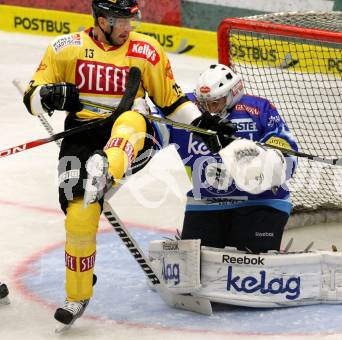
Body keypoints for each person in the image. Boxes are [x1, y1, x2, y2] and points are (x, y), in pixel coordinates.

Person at [22, 0, 232, 327]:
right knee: (80, 215)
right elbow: (32, 98)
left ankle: (105, 168)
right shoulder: (66, 49)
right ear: (101, 20)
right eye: (120, 20)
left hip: (133, 137)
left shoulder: (146, 51)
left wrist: (204, 122)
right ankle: (77, 294)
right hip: (83, 134)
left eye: (130, 19)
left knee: (131, 119)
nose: (127, 27)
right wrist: (48, 96)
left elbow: (171, 102)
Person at [169, 64, 299, 253]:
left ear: (232, 95)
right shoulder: (185, 108)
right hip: (206, 203)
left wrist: (251, 157)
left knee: (255, 266)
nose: (209, 109)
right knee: (193, 266)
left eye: (216, 102)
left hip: (262, 202)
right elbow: (152, 133)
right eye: (204, 103)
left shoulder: (258, 109)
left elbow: (288, 155)